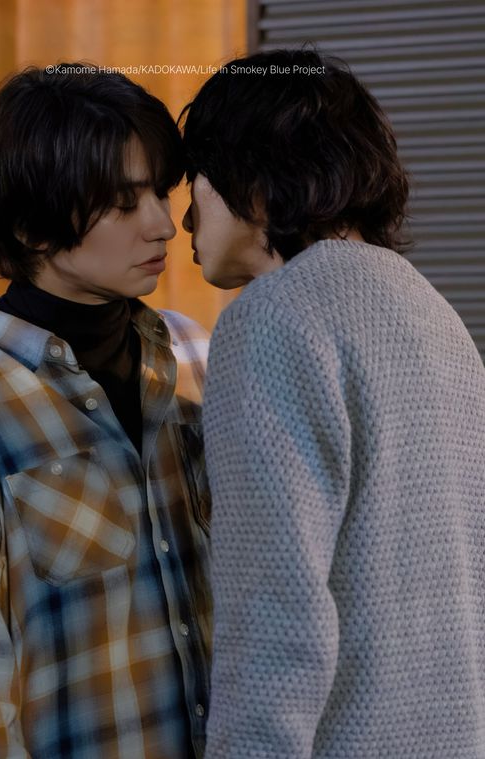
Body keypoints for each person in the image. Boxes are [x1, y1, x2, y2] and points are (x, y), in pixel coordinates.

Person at [0, 63, 212, 758]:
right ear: (32, 228)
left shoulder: (197, 357)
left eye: (161, 191)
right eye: (123, 202)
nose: (162, 223)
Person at [180, 48, 485, 758]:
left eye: (194, 180)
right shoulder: (436, 316)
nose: (183, 217)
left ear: (253, 181)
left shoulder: (271, 320)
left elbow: (274, 615)